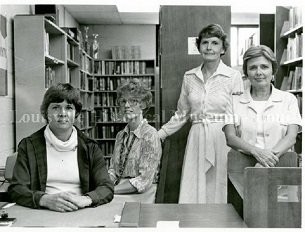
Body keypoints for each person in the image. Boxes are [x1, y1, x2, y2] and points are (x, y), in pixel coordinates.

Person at [158, 24, 244, 203]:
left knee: (218, 185)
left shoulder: (233, 76)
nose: (209, 47)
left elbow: (239, 114)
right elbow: (182, 113)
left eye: (215, 43)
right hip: (197, 136)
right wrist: (160, 134)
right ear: (199, 47)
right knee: (193, 184)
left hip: (224, 138)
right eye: (205, 42)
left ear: (222, 48)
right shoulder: (189, 77)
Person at [8, 83, 114, 212]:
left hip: (81, 211)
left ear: (76, 113)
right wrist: (44, 199)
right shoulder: (28, 145)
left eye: (68, 107)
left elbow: (106, 186)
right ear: (45, 112)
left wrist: (86, 199)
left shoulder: (90, 147)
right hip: (42, 211)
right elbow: (17, 188)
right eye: (56, 107)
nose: (62, 113)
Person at [223, 45, 302, 167]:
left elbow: (291, 137)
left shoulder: (288, 100)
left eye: (264, 67)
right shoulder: (233, 101)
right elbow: (230, 138)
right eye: (253, 68)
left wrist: (265, 162)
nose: (259, 72)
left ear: (273, 70)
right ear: (246, 72)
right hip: (242, 168)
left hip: (282, 166)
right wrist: (257, 152)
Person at [108, 79, 162, 203]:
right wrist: (105, 185)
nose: (127, 105)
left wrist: (112, 190)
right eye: (123, 101)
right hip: (117, 191)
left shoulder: (150, 134)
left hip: (140, 194)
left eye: (133, 101)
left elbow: (144, 180)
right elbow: (113, 170)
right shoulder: (120, 135)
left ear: (143, 104)